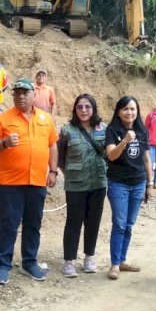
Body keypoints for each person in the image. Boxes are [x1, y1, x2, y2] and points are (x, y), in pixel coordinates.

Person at [0, 78, 58, 284]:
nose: (20, 96)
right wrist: (4, 143)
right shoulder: (3, 119)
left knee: (33, 224)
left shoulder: (45, 119)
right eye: (17, 93)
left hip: (37, 181)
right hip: (10, 183)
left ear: (34, 95)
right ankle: (3, 264)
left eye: (25, 92)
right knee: (9, 223)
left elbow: (52, 145)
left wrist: (52, 171)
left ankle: (29, 262)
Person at [58, 94, 107, 277]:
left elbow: (110, 154)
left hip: (98, 183)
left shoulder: (104, 129)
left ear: (93, 108)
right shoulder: (67, 130)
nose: (84, 110)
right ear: (75, 109)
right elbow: (61, 157)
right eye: (80, 107)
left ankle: (89, 257)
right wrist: (70, 173)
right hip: (75, 185)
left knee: (93, 222)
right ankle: (69, 261)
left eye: (87, 107)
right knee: (73, 222)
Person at [104, 96, 152, 281]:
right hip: (118, 184)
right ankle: (115, 264)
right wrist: (124, 141)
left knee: (129, 225)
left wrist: (149, 183)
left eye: (132, 109)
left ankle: (122, 260)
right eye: (125, 109)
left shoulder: (142, 131)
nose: (129, 112)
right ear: (118, 111)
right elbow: (111, 156)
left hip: (139, 183)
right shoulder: (112, 130)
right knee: (119, 224)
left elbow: (147, 159)